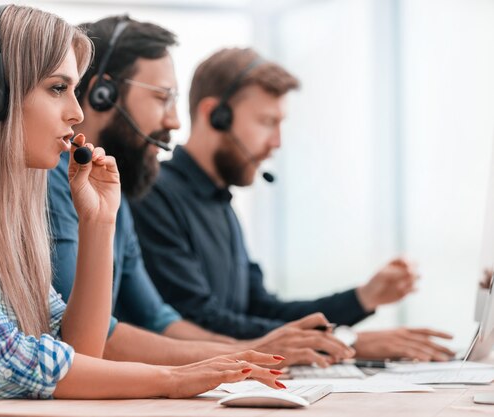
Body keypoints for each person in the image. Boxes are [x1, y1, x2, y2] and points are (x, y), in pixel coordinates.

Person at [0, 8, 283, 416]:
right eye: (56, 88)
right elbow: (6, 365)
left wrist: (99, 221)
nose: (77, 112)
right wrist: (173, 380)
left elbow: (79, 349)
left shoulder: (4, 210)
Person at [48, 15, 354, 368]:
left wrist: (254, 351)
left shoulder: (114, 191)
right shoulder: (54, 181)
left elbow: (161, 320)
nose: (175, 121)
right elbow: (86, 338)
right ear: (104, 95)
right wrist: (246, 354)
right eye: (163, 98)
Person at [130, 47, 456, 361]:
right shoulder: (154, 196)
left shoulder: (221, 206)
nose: (277, 142)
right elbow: (199, 321)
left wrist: (363, 297)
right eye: (267, 122)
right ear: (215, 115)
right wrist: (345, 341)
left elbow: (260, 310)